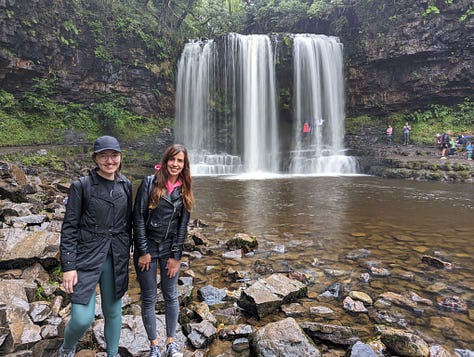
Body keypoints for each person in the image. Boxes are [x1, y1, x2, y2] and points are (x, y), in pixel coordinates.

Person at [58, 136, 133, 357]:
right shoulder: (81, 186)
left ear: (120, 157)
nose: (110, 160)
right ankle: (67, 348)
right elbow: (69, 227)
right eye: (104, 156)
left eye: (114, 155)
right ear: (95, 158)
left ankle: (112, 353)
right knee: (83, 317)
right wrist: (68, 266)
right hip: (86, 256)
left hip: (115, 255)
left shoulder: (126, 185)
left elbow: (130, 222)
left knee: (113, 312)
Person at [133, 144, 194, 357]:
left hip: (169, 248)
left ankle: (171, 342)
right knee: (149, 297)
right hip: (147, 246)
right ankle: (154, 346)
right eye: (172, 160)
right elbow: (138, 218)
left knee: (171, 295)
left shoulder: (185, 188)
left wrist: (176, 257)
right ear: (166, 160)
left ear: (184, 165)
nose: (175, 164)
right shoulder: (149, 183)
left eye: (180, 161)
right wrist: (142, 251)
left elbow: (182, 226)